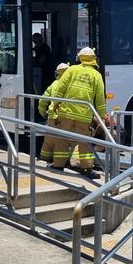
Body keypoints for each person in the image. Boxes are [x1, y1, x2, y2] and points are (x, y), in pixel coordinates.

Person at [49, 47, 107, 179]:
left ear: (80, 57)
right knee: (84, 142)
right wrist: (101, 116)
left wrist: (55, 104)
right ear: (93, 59)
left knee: (62, 139)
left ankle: (58, 165)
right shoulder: (96, 75)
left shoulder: (72, 70)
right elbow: (100, 98)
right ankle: (86, 169)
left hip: (66, 113)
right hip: (84, 115)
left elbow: (60, 88)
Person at [38, 62, 70, 163]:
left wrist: (43, 112)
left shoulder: (54, 84)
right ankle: (61, 163)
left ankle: (44, 159)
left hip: (52, 117)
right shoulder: (71, 85)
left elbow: (42, 100)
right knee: (62, 142)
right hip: (65, 117)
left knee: (48, 142)